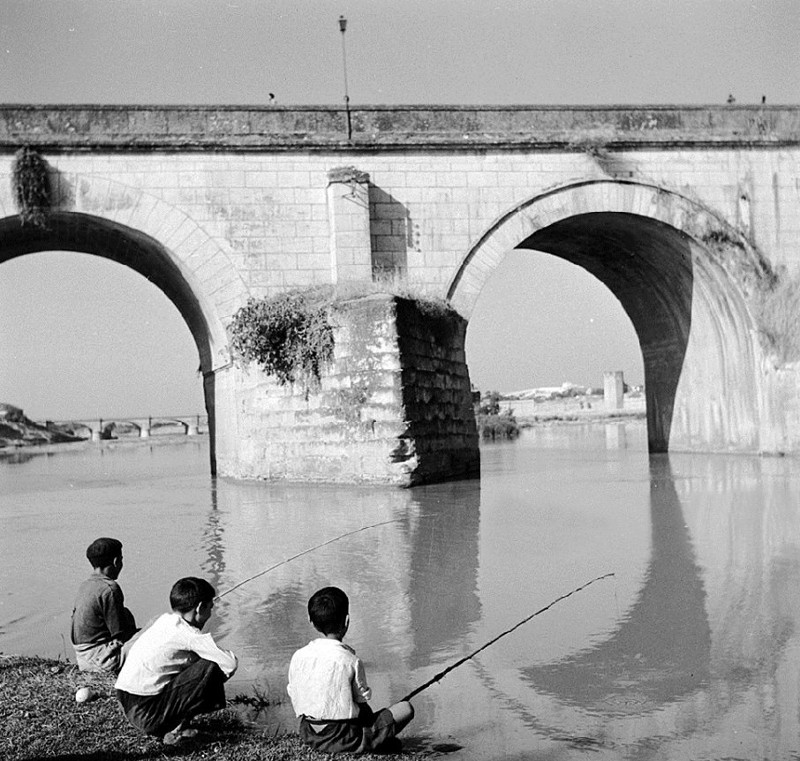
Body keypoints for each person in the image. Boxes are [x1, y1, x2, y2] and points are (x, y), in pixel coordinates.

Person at [287, 586, 414, 754]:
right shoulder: (351, 661)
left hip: (309, 733)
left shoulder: (298, 656)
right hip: (343, 737)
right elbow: (363, 705)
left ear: (312, 622)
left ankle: (376, 741)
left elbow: (294, 694)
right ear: (347, 621)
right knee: (406, 708)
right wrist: (374, 721)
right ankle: (371, 743)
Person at [115, 577, 238, 745]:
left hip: (127, 703)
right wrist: (208, 685)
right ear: (200, 608)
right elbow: (230, 663)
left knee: (192, 660)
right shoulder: (188, 633)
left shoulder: (163, 621)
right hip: (146, 715)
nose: (210, 614)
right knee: (210, 666)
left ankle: (179, 722)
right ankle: (178, 730)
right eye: (210, 608)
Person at [71, 537, 137, 672]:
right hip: (102, 660)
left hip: (83, 658)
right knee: (155, 627)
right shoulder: (110, 588)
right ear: (116, 561)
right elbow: (120, 634)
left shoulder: (85, 585)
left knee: (126, 613)